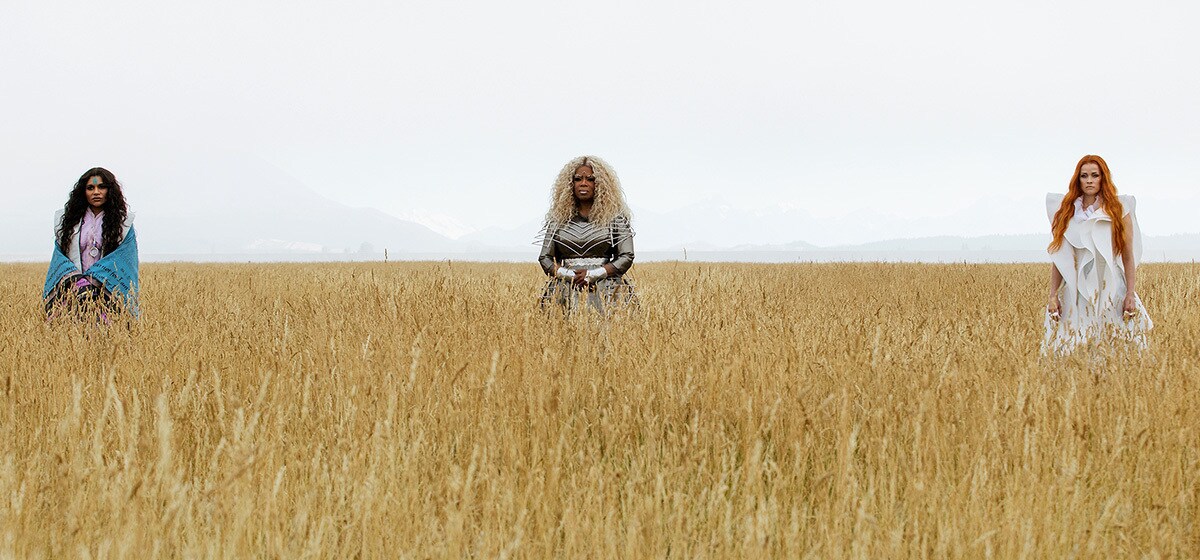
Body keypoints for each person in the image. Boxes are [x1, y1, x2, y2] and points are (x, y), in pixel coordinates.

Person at [1043, 155, 1150, 354]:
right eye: (1084, 176)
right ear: (1078, 180)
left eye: (1095, 175)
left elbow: (1127, 255)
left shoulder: (1119, 209)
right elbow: (1060, 259)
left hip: (1110, 286)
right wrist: (1052, 296)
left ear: (1103, 178)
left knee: (1118, 345)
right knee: (1073, 345)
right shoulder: (1067, 212)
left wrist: (1130, 294)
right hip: (1077, 290)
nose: (1089, 180)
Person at [538, 155, 637, 314]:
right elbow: (545, 258)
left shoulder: (616, 218)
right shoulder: (557, 220)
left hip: (609, 292)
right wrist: (569, 275)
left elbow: (626, 256)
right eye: (578, 179)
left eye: (590, 179)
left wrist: (594, 274)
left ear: (601, 184)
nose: (583, 183)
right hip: (564, 293)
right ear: (570, 184)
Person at [44, 167, 140, 320]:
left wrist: (94, 280)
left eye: (102, 187)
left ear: (110, 190)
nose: (96, 192)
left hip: (106, 289)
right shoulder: (67, 221)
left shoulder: (124, 223)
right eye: (90, 188)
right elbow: (59, 256)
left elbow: (125, 258)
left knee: (106, 336)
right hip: (73, 289)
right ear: (83, 192)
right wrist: (78, 281)